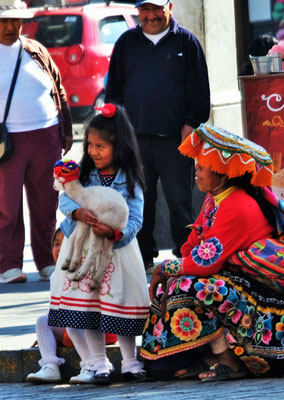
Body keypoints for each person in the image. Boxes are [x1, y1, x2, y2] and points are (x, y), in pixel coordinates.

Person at [141, 124, 284, 381]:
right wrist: (174, 267)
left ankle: (227, 359)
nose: (195, 170)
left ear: (222, 172)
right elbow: (193, 245)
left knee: (191, 285)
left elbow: (204, 263)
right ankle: (199, 357)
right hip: (240, 282)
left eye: (201, 166)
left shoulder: (237, 205)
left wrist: (165, 268)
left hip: (264, 296)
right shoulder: (215, 198)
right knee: (177, 285)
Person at [48, 104, 149, 385]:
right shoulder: (81, 173)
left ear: (119, 146)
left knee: (118, 305)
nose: (93, 151)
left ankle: (130, 361)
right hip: (82, 252)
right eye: (90, 144)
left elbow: (136, 217)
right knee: (88, 307)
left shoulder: (129, 181)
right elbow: (66, 197)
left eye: (101, 146)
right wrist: (76, 212)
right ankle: (98, 362)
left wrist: (116, 233)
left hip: (116, 253)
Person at [105, 0, 210, 270]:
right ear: (138, 11)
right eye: (145, 10)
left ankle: (186, 257)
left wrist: (190, 124)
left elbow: (200, 92)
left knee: (179, 201)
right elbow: (114, 91)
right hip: (135, 138)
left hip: (176, 138)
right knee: (141, 199)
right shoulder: (126, 43)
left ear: (169, 7)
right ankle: (143, 258)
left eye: (157, 9)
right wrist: (116, 127)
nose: (151, 16)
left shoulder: (186, 42)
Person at [0, 0, 73, 284]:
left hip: (46, 135)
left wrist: (65, 129)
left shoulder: (35, 50)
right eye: (3, 21)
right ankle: (8, 265)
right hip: (7, 142)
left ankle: (47, 261)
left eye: (14, 21)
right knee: (6, 206)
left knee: (46, 203)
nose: (9, 27)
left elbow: (59, 89)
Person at [26, 228, 118, 384]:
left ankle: (91, 365)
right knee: (43, 322)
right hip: (73, 328)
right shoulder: (56, 275)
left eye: (66, 244)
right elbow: (57, 311)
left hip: (99, 327)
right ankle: (50, 365)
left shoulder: (88, 270)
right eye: (56, 244)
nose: (60, 249)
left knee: (72, 323)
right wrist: (48, 337)